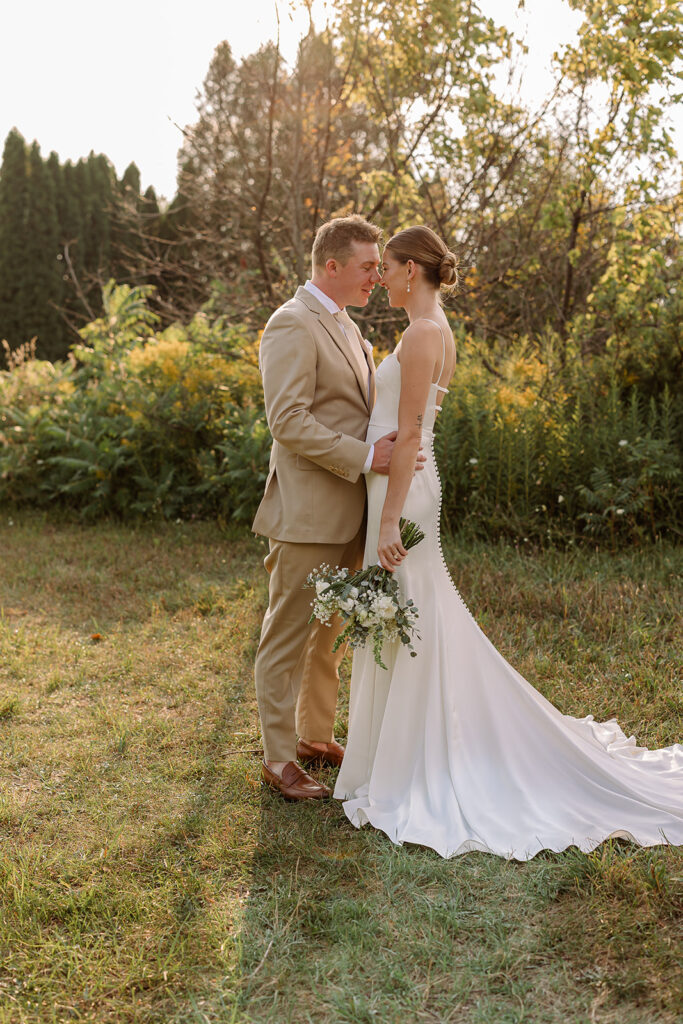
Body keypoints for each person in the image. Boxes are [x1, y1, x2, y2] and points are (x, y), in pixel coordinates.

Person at [334, 225, 683, 860]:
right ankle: (403, 748)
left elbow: (409, 434)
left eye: (386, 265)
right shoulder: (439, 330)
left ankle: (415, 759)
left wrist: (387, 523)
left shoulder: (420, 334)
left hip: (403, 492)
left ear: (412, 269)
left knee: (407, 615)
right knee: (412, 617)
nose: (380, 275)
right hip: (409, 485)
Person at [252, 215, 424, 802]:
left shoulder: (348, 327)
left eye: (380, 267)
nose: (378, 276)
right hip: (307, 511)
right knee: (288, 634)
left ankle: (314, 737)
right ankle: (278, 759)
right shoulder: (291, 324)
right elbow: (288, 420)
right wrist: (365, 456)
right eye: (368, 266)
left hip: (351, 506)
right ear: (332, 266)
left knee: (327, 631)